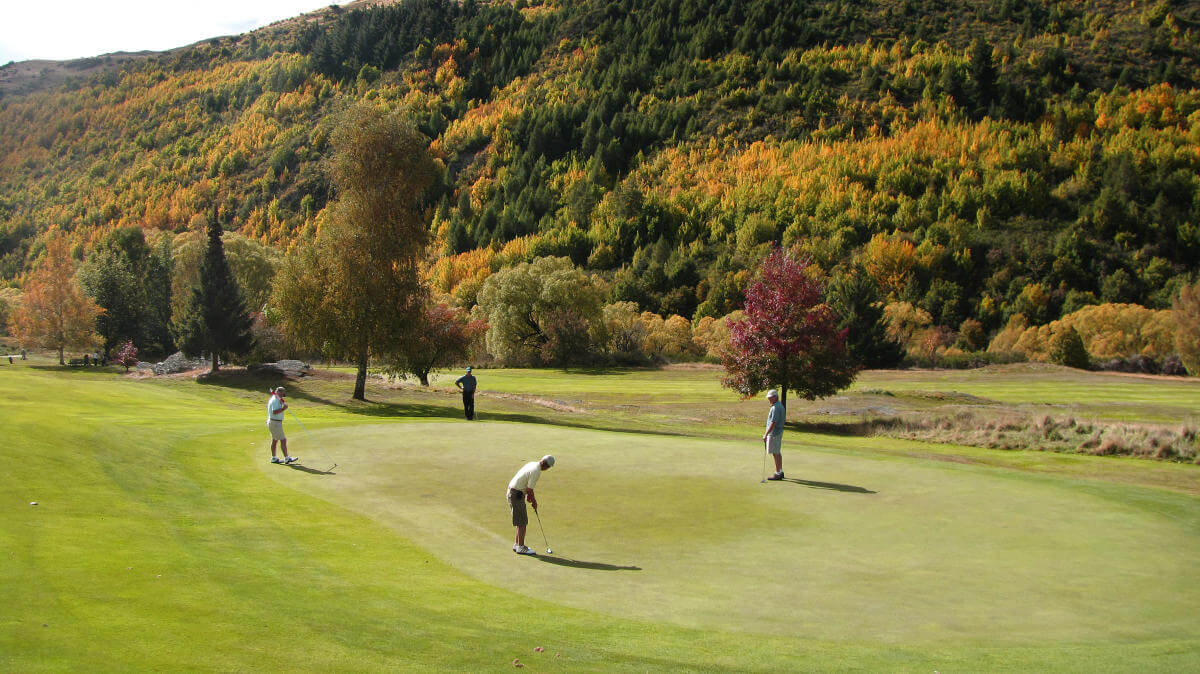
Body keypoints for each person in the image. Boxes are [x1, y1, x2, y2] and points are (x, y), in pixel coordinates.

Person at [507, 455, 554, 555]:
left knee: (520, 521)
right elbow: (529, 490)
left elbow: (527, 488)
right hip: (516, 494)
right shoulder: (536, 471)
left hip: (514, 492)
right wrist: (534, 502)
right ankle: (521, 547)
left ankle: (517, 544)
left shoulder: (532, 464)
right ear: (547, 466)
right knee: (523, 522)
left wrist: (529, 497)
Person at [267, 386, 298, 464]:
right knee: (283, 440)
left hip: (274, 422)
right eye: (282, 394)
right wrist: (284, 408)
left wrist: (282, 404)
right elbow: (274, 411)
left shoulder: (276, 399)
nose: (282, 395)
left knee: (275, 440)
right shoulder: (275, 400)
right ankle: (286, 458)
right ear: (279, 392)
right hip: (275, 423)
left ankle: (274, 458)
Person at [762, 389, 785, 480]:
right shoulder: (779, 405)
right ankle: (780, 471)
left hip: (774, 433)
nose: (769, 399)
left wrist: (766, 434)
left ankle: (778, 473)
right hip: (777, 432)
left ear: (775, 397)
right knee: (777, 452)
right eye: (768, 398)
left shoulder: (775, 408)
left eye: (770, 398)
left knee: (775, 452)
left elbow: (773, 422)